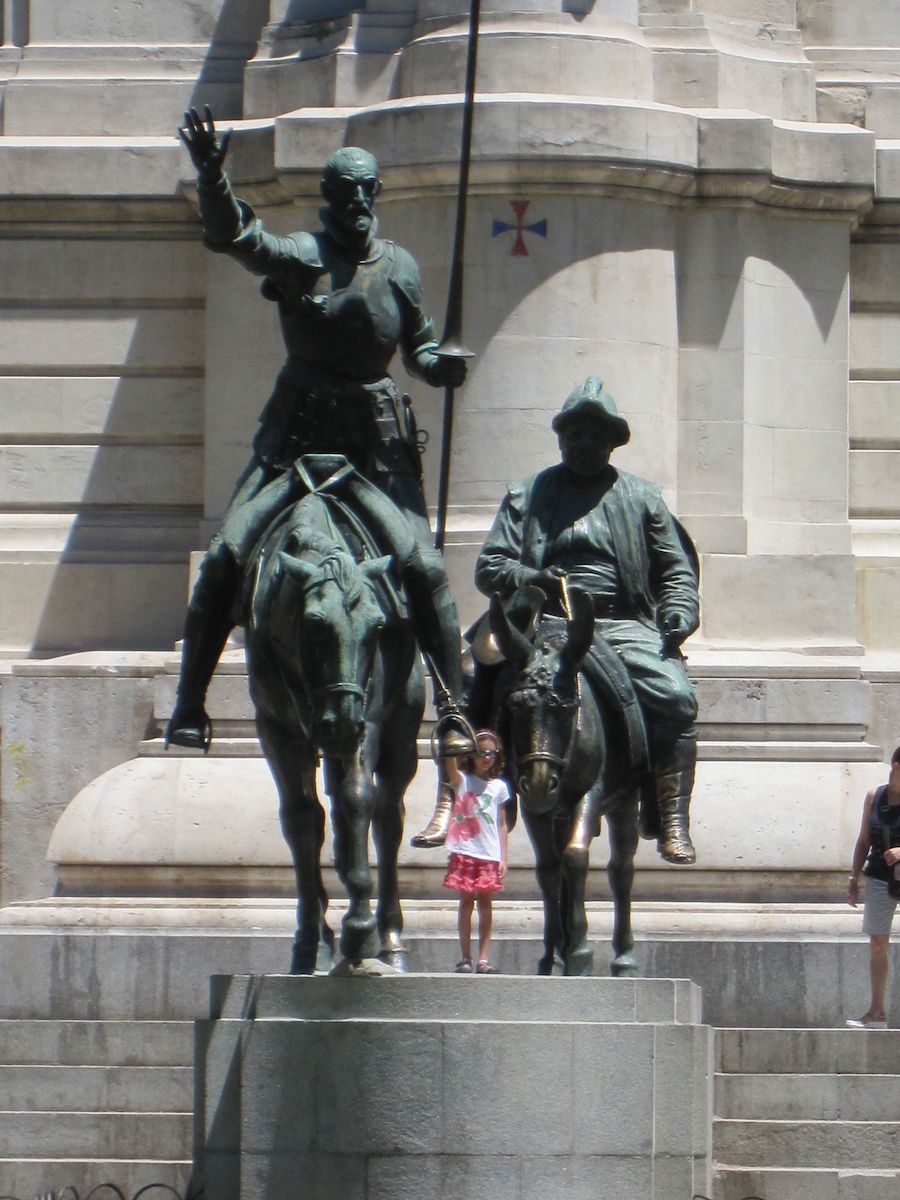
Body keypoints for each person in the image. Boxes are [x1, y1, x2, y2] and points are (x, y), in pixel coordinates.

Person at [166, 107, 472, 759]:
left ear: (376, 194)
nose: (357, 200)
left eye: (366, 189)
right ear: (330, 199)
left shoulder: (400, 267)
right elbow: (240, 240)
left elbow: (417, 346)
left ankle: (454, 704)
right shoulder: (304, 258)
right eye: (345, 190)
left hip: (377, 452)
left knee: (422, 565)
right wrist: (214, 181)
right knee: (226, 555)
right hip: (296, 445)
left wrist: (437, 365)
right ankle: (190, 703)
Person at [473, 376, 701, 864]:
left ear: (612, 443)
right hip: (542, 620)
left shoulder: (642, 499)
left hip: (618, 624)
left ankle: (670, 814)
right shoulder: (526, 494)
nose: (582, 444)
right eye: (573, 434)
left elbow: (675, 569)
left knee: (678, 700)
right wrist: (533, 575)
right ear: (561, 439)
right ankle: (466, 793)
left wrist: (679, 613)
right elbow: (489, 566)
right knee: (474, 677)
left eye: (594, 436)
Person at [442, 729, 510, 973]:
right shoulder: (463, 780)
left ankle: (483, 958)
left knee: (485, 905)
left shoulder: (499, 787)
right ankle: (465, 957)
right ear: (472, 754)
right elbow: (449, 763)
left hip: (489, 853)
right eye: (481, 752)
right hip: (465, 850)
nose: (486, 758)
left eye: (491, 753)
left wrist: (503, 856)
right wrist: (452, 740)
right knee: (466, 903)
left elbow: (502, 823)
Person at [845, 745, 900, 1029]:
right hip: (880, 874)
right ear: (896, 766)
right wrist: (854, 878)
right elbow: (863, 839)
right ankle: (877, 1013)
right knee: (878, 942)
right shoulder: (874, 796)